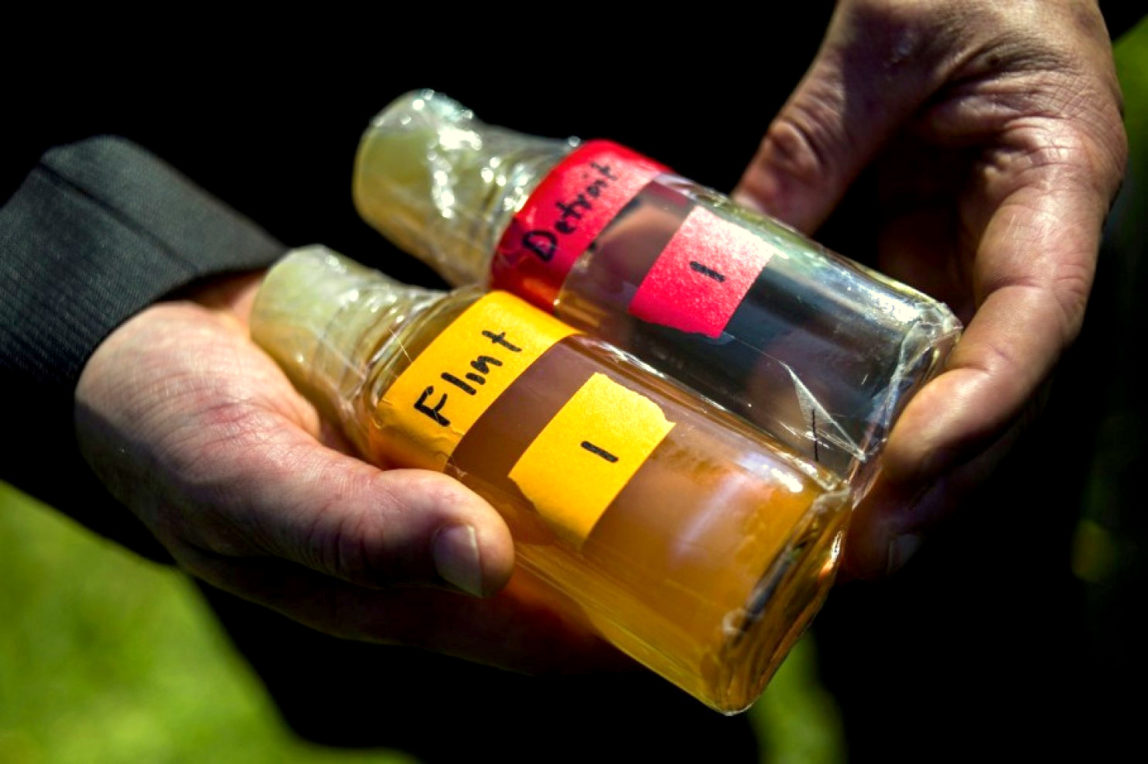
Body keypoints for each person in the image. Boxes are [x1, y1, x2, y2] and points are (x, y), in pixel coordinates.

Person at [2, 2, 1134, 758]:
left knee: (983, 651)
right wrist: (108, 279)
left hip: (882, 137)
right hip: (234, 210)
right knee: (546, 701)